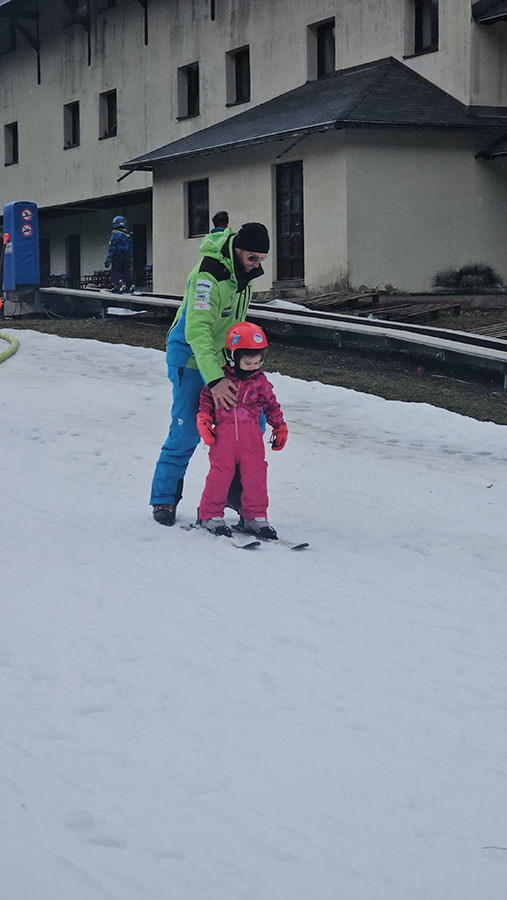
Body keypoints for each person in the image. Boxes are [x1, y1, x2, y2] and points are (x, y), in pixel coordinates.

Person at [150, 221, 270, 526]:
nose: (257, 265)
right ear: (238, 250)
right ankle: (164, 497)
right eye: (252, 258)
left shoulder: (243, 275)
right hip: (191, 357)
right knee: (188, 428)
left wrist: (238, 361)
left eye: (261, 260)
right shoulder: (209, 276)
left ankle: (235, 492)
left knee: (248, 424)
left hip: (222, 359)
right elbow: (198, 330)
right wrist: (215, 379)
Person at [196, 322, 288, 540]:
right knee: (220, 475)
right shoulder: (220, 379)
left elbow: (271, 406)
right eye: (248, 363)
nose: (253, 367)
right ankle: (210, 515)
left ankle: (254, 516)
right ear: (232, 357)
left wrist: (279, 426)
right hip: (224, 437)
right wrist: (204, 420)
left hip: (251, 438)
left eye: (258, 362)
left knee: (256, 476)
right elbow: (206, 399)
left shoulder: (260, 382)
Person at [104, 216, 134, 293]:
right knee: (126, 271)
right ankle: (130, 285)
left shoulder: (115, 234)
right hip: (127, 256)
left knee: (115, 271)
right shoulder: (128, 235)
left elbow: (112, 247)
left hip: (117, 255)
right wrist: (130, 257)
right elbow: (130, 247)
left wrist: (109, 258)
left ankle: (119, 284)